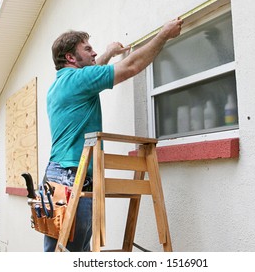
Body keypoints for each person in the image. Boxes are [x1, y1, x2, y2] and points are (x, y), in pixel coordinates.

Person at [44, 18, 183, 252]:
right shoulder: (78, 80)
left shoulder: (60, 84)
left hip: (58, 175)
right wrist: (163, 35)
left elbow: (94, 70)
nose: (94, 52)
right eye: (87, 49)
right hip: (72, 176)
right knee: (75, 254)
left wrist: (109, 52)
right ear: (70, 57)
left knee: (61, 251)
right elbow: (130, 67)